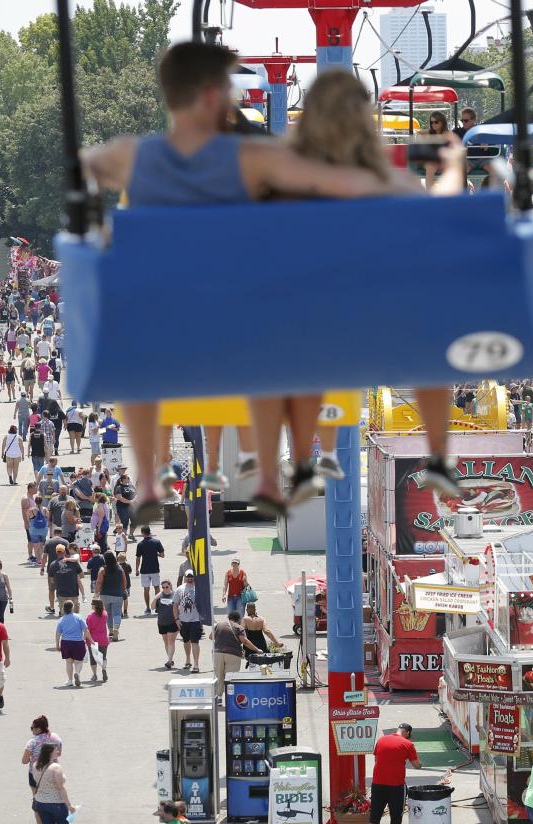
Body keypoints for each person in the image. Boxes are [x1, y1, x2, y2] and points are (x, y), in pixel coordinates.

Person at [82, 45, 463, 522]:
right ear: (208, 96)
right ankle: (426, 454)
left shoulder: (135, 157)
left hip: (174, 335)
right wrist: (442, 171)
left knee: (165, 350)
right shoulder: (253, 160)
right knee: (401, 330)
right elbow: (349, 187)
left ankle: (153, 481)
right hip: (330, 333)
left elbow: (86, 166)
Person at [369, 723, 421, 824]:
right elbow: (416, 765)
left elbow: (376, 760)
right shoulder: (408, 744)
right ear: (407, 733)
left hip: (377, 785)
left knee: (374, 818)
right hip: (396, 787)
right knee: (396, 819)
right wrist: (421, 764)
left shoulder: (381, 740)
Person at [30, 738, 76, 824]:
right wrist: (69, 805)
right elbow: (60, 788)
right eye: (56, 750)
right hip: (56, 804)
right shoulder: (55, 768)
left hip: (41, 803)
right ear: (50, 753)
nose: (58, 752)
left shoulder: (35, 765)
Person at [211, 610, 258, 694]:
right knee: (231, 677)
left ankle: (219, 698)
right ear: (239, 619)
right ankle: (230, 697)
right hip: (233, 654)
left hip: (217, 653)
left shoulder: (218, 625)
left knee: (219, 676)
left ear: (228, 618)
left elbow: (211, 637)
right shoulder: (239, 627)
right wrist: (257, 649)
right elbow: (245, 641)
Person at [54, 600, 92, 688]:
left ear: (63, 609)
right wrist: (91, 640)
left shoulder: (61, 620)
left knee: (69, 662)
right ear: (72, 608)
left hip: (66, 643)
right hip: (78, 642)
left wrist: (57, 644)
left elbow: (58, 633)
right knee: (79, 661)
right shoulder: (78, 617)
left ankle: (70, 680)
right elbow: (86, 630)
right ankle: (77, 673)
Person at [172, 572, 203, 673]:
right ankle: (188, 660)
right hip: (183, 620)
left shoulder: (199, 588)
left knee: (195, 641)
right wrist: (176, 619)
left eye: (191, 576)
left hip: (196, 620)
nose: (190, 578)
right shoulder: (180, 589)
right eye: (188, 576)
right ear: (185, 577)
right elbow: (175, 605)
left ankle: (196, 664)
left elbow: (205, 604)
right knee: (186, 641)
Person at [95, 552, 127, 640]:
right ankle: (116, 628)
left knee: (108, 613)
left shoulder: (102, 570)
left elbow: (99, 582)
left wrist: (96, 593)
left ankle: (111, 630)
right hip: (117, 594)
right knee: (117, 613)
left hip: (105, 595)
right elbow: (124, 581)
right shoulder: (120, 568)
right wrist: (123, 590)